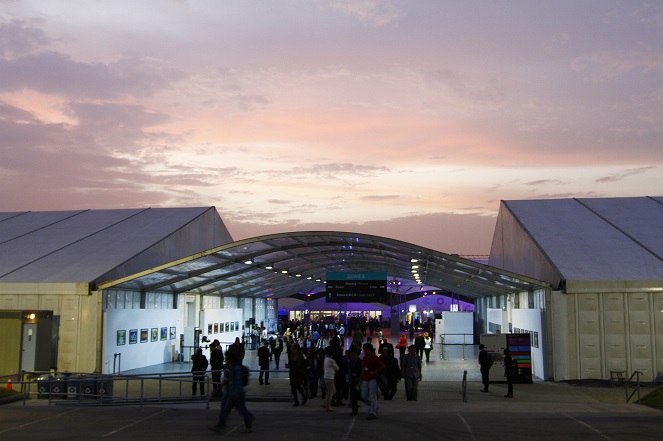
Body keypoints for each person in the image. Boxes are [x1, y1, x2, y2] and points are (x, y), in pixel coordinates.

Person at [209, 350, 254, 434]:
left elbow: (232, 380)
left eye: (226, 357)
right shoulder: (231, 367)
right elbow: (228, 379)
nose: (225, 358)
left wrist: (222, 388)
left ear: (230, 358)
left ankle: (248, 425)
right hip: (233, 392)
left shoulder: (234, 368)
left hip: (237, 393)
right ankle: (221, 425)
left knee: (241, 410)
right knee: (226, 409)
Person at [360, 343, 384, 420]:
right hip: (365, 379)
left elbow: (382, 366)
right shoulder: (364, 358)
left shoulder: (375, 358)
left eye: (366, 349)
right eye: (364, 349)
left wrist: (375, 371)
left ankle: (372, 412)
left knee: (372, 396)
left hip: (373, 379)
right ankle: (374, 406)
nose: (365, 351)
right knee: (363, 396)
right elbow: (363, 368)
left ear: (370, 350)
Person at [322, 346, 339, 411]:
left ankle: (325, 403)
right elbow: (337, 368)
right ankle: (328, 406)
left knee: (329, 391)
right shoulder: (331, 360)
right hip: (330, 377)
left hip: (326, 376)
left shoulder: (325, 359)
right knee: (331, 392)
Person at [347, 347, 362, 416]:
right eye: (351, 355)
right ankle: (354, 410)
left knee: (361, 396)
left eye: (353, 354)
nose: (352, 356)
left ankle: (373, 405)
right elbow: (350, 371)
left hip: (359, 381)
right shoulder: (351, 362)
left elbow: (361, 371)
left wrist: (359, 378)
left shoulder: (359, 362)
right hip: (353, 380)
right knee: (353, 396)